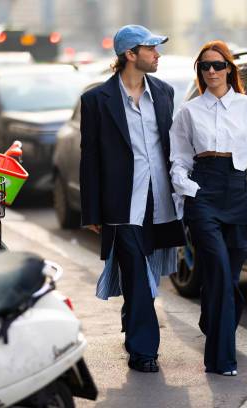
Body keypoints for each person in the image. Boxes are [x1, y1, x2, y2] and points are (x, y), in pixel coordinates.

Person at [169, 40, 247, 376]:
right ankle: (221, 359)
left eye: (218, 65)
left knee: (229, 276)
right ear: (199, 72)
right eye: (205, 66)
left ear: (229, 69)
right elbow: (177, 158)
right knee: (220, 270)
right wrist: (188, 187)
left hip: (237, 193)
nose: (211, 71)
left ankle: (211, 318)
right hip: (203, 193)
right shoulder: (188, 112)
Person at [79, 24, 185, 373]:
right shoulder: (97, 100)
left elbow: (176, 147)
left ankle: (132, 320)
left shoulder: (165, 93)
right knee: (138, 275)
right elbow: (90, 157)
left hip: (161, 202)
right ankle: (144, 352)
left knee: (148, 276)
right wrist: (91, 210)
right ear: (130, 54)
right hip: (123, 204)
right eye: (151, 48)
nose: (157, 54)